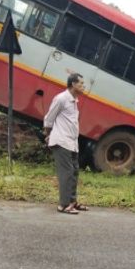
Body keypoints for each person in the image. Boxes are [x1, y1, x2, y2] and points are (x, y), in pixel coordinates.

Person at [43, 73, 86, 215]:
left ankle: (72, 202)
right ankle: (64, 205)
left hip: (72, 143)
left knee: (74, 172)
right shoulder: (61, 98)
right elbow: (49, 119)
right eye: (81, 83)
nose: (83, 86)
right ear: (73, 84)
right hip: (61, 141)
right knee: (66, 173)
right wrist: (48, 134)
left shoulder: (75, 101)